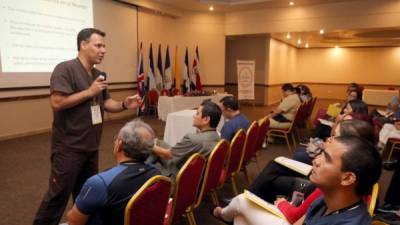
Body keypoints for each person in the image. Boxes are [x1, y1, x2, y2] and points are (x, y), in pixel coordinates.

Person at [33, 28, 142, 225]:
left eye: (104, 46)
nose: (103, 50)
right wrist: (89, 91)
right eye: (98, 45)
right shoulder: (64, 69)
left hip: (91, 147)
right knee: (57, 197)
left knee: (86, 197)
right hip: (68, 148)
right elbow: (57, 102)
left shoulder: (99, 74)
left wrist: (125, 104)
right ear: (83, 45)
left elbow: (106, 103)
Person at [212, 136, 382, 225]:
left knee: (243, 205)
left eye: (327, 159)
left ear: (347, 178)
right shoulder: (328, 198)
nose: (316, 160)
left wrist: (282, 205)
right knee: (242, 215)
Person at [250, 119, 375, 204]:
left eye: (335, 136)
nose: (329, 139)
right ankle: (249, 200)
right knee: (274, 166)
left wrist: (283, 206)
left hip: (317, 186)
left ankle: (248, 200)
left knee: (273, 175)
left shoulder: (332, 195)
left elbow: (299, 215)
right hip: (320, 183)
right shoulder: (364, 167)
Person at [66, 120, 160, 225]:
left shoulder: (99, 183)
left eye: (116, 138)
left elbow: (74, 221)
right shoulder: (156, 174)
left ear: (119, 145)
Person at [150, 100, 221, 178]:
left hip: (179, 175)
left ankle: (140, 171)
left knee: (152, 149)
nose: (194, 116)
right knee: (159, 143)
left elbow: (169, 155)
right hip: (199, 174)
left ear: (206, 119)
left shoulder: (192, 139)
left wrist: (148, 145)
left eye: (197, 113)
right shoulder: (216, 136)